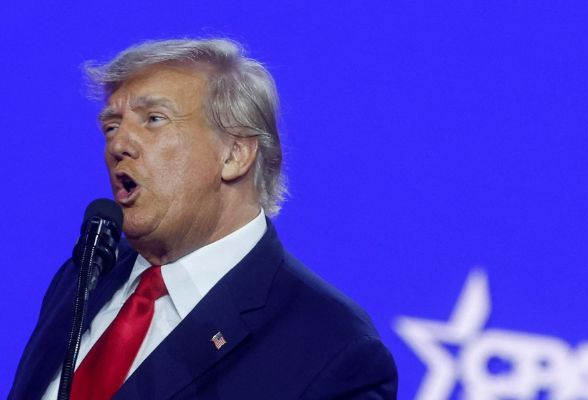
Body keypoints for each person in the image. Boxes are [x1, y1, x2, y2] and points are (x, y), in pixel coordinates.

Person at [10, 38, 397, 399]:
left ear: (234, 154)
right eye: (111, 126)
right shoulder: (85, 276)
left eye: (154, 119)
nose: (118, 145)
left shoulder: (333, 348)